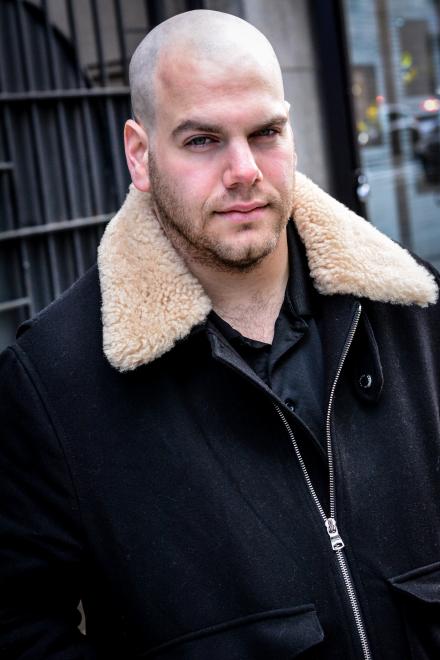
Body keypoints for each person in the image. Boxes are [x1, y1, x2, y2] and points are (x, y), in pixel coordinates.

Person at [1, 9, 439, 660]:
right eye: (203, 140)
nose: (244, 170)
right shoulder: (54, 379)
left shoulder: (414, 308)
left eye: (266, 133)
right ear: (140, 155)